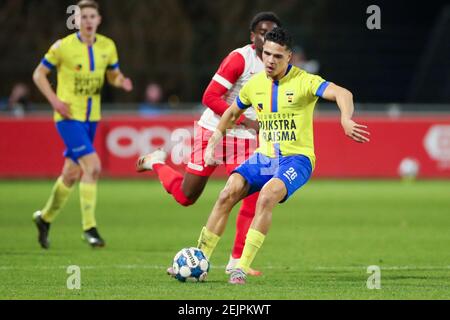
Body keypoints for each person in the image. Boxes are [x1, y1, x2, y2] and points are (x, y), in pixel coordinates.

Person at [192, 27, 370, 284]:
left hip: (297, 159)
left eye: (277, 56)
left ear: (289, 57)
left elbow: (344, 94)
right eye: (266, 54)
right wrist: (214, 141)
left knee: (267, 196)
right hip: (265, 157)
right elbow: (231, 113)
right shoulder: (254, 85)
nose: (270, 61)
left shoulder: (305, 81)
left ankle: (240, 267)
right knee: (227, 192)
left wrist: (345, 118)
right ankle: (200, 260)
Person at [136, 12, 282, 276]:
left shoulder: (278, 68)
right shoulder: (240, 59)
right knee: (186, 196)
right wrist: (245, 121)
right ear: (253, 37)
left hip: (246, 140)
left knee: (250, 193)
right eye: (262, 32)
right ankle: (156, 162)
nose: (266, 37)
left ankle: (236, 261)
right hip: (213, 130)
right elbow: (209, 96)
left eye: (272, 33)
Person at [32, 0, 133, 249]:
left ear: (98, 20)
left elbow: (112, 74)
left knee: (71, 173)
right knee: (94, 166)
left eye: (92, 16)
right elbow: (39, 74)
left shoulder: (108, 46)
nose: (87, 20)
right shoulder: (63, 47)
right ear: (76, 20)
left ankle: (44, 218)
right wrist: (55, 101)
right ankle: (89, 228)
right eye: (83, 16)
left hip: (91, 118)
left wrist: (120, 81)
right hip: (68, 118)